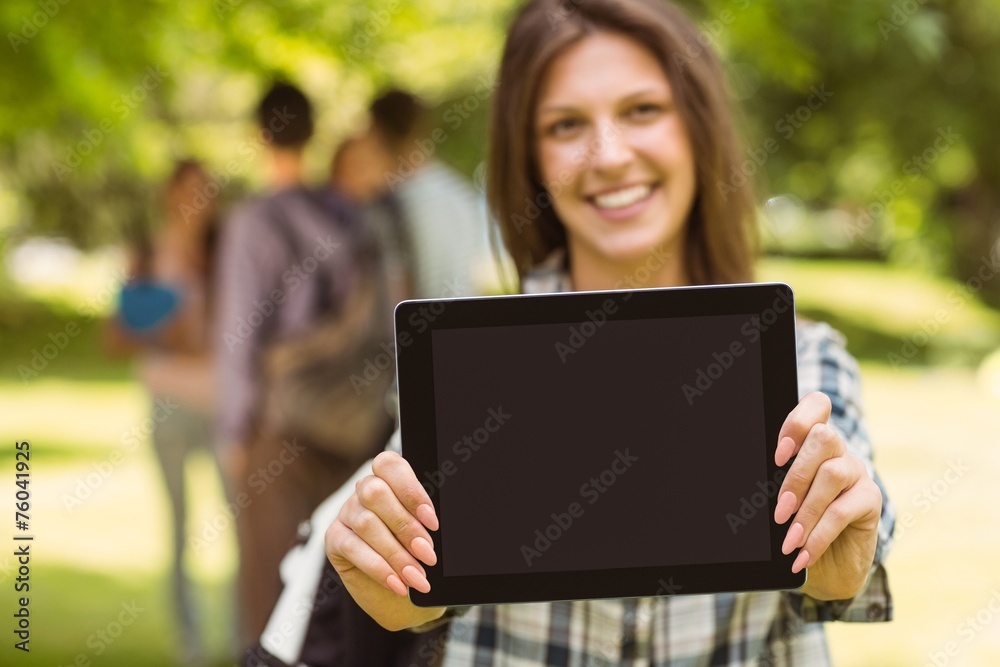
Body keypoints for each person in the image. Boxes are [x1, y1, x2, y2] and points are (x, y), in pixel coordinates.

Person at [324, 0, 894, 664]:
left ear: (697, 127)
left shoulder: (799, 355)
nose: (609, 155)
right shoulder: (468, 361)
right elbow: (413, 564)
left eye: (642, 110)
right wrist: (401, 581)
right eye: (566, 125)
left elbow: (853, 544)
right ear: (530, 157)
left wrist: (844, 553)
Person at [214, 82, 389, 649]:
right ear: (312, 132)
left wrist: (235, 431)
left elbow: (239, 334)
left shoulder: (254, 221)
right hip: (350, 425)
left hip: (281, 427)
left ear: (259, 134)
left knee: (268, 595)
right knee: (334, 592)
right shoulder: (348, 216)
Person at [110, 160, 222, 664]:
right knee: (178, 527)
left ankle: (247, 637)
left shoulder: (224, 254)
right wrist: (163, 328)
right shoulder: (148, 254)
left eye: (203, 192)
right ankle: (190, 644)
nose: (193, 202)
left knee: (243, 526)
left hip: (221, 404)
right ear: (169, 196)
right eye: (185, 192)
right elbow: (116, 333)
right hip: (168, 404)